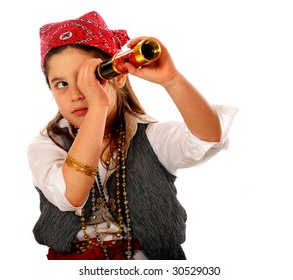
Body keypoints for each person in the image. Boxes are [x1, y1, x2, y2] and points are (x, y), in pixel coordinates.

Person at [28, 11, 237, 260]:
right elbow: (71, 195)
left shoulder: (151, 137)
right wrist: (97, 107)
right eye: (61, 84)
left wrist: (172, 80)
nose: (77, 93)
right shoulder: (46, 147)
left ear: (117, 78)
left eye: (90, 78)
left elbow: (208, 137)